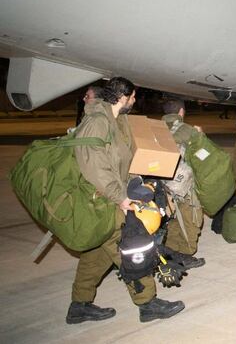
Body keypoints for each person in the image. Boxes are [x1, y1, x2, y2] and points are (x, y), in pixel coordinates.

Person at [68, 77, 184, 324]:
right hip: (104, 201)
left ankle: (79, 305)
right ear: (123, 96)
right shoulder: (97, 122)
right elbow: (94, 166)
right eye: (132, 97)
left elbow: (121, 160)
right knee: (132, 252)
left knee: (97, 254)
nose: (134, 101)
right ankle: (148, 303)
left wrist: (138, 184)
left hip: (111, 198)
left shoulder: (115, 121)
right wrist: (120, 197)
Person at [160, 99, 206, 269]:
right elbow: (203, 155)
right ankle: (186, 255)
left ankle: (171, 253)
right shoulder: (187, 130)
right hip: (184, 186)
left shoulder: (155, 129)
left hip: (161, 186)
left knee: (172, 220)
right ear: (181, 112)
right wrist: (200, 135)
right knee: (191, 219)